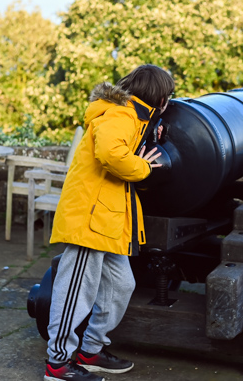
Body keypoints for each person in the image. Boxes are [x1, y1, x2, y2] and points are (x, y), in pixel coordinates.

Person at [44, 64, 174, 381]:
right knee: (76, 291)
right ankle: (57, 366)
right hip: (91, 219)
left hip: (108, 221)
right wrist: (143, 168)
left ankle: (90, 352)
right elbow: (110, 154)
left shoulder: (134, 116)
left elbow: (126, 142)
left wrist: (156, 128)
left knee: (121, 285)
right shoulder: (121, 114)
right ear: (160, 98)